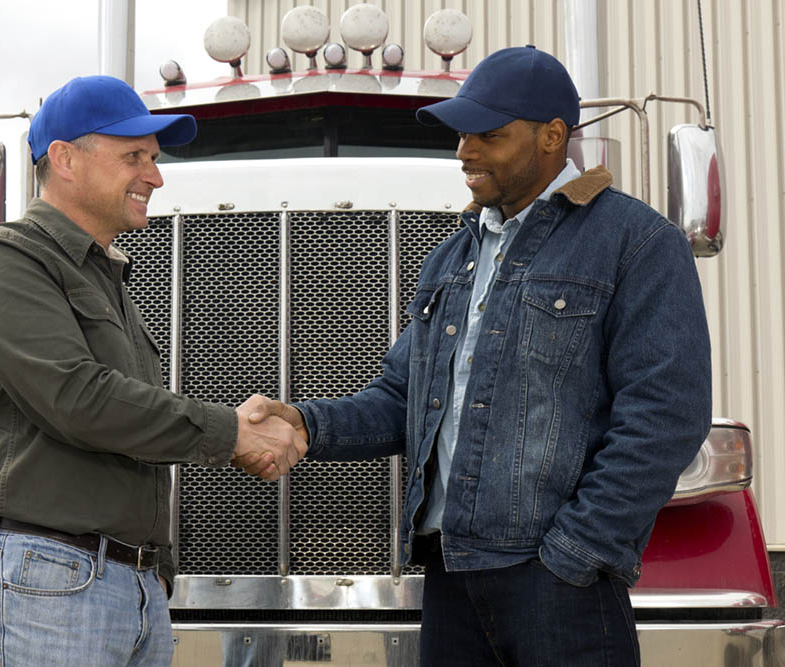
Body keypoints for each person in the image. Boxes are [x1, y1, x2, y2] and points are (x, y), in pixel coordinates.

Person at [239, 45, 711, 666]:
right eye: (462, 135)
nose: (465, 152)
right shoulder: (453, 256)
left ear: (552, 136)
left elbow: (665, 414)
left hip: (558, 584)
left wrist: (576, 551)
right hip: (451, 576)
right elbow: (403, 400)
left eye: (488, 134)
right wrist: (306, 423)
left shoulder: (636, 241)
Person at [0, 75, 305, 667]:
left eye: (155, 160)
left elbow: (127, 436)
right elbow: (76, 398)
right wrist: (233, 432)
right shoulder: (2, 259)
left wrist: (152, 573)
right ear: (63, 158)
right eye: (133, 156)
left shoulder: (104, 279)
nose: (155, 177)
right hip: (43, 580)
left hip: (126, 588)